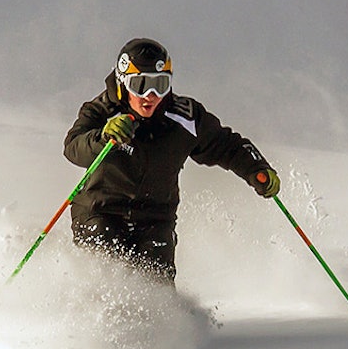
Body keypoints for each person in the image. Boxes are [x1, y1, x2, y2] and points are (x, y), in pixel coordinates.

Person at [63, 37, 280, 283]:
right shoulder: (102, 111)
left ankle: (161, 322)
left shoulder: (184, 117)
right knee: (107, 267)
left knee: (156, 281)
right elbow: (73, 146)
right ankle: (93, 316)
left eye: (160, 84)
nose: (151, 95)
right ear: (123, 82)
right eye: (141, 84)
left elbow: (227, 145)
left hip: (155, 219)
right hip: (99, 211)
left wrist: (256, 168)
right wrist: (103, 137)